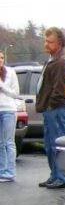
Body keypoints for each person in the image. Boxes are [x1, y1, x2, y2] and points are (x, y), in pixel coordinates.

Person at [36, 27, 65, 189]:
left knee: (59, 145)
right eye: (45, 41)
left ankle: (63, 177)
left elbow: (60, 89)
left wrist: (50, 105)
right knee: (50, 145)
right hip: (50, 109)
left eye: (50, 42)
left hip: (57, 109)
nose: (46, 45)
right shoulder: (52, 59)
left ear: (59, 43)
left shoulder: (61, 61)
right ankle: (54, 175)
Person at [0, 51, 22, 182]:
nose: (0, 60)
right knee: (0, 143)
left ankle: (10, 172)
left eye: (2, 57)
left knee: (9, 142)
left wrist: (2, 86)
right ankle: (2, 170)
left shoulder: (10, 72)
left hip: (9, 110)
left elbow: (16, 93)